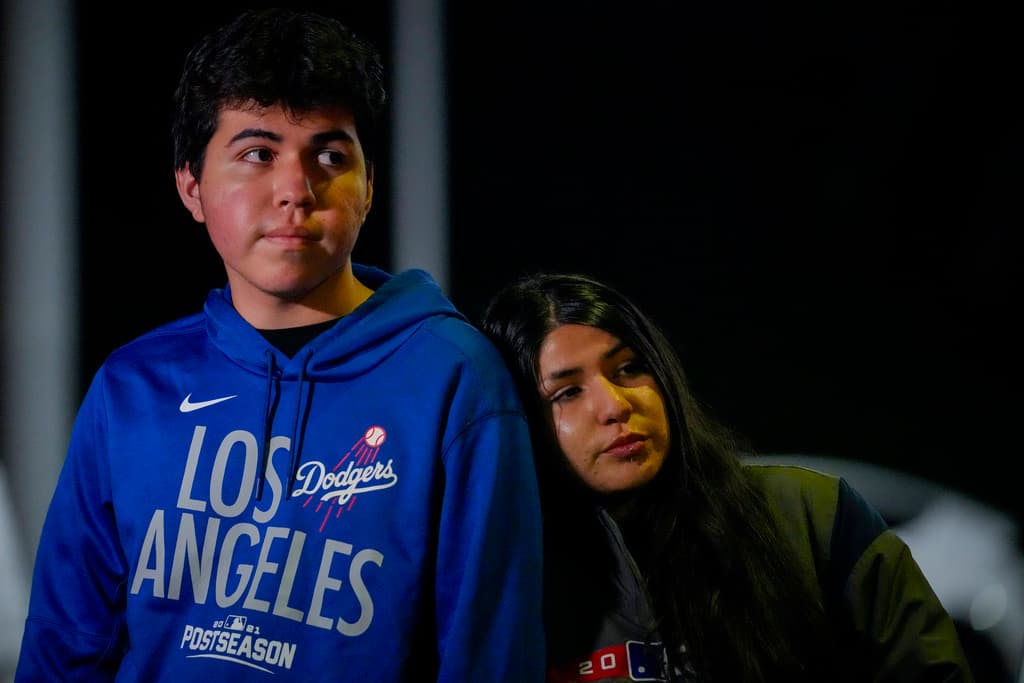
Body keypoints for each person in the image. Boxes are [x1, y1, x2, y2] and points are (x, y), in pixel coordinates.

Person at [15, 9, 544, 682]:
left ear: (369, 185)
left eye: (330, 156)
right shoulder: (132, 387)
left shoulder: (455, 378)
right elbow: (63, 651)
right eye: (257, 154)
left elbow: (492, 655)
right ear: (192, 187)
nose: (296, 190)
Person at [481, 271, 974, 682]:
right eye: (566, 393)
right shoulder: (506, 583)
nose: (615, 405)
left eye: (630, 368)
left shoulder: (811, 517)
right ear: (520, 419)